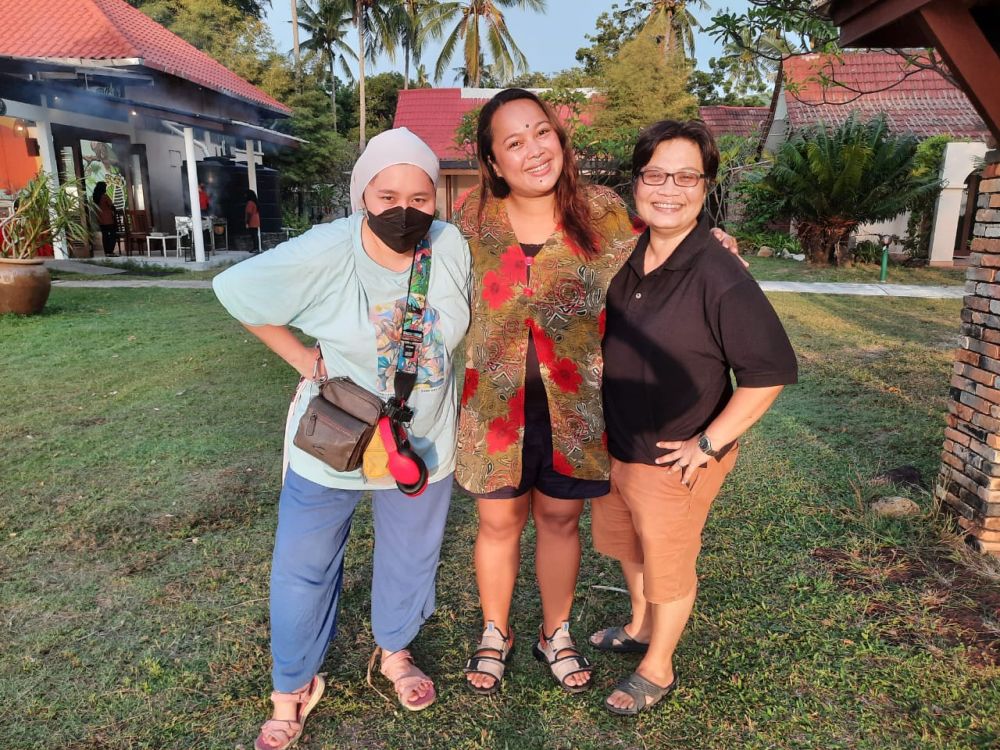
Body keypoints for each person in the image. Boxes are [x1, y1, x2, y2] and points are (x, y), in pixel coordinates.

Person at [453, 89, 739, 697]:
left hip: (576, 406)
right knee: (498, 523)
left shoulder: (604, 211)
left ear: (560, 137)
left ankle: (554, 632)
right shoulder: (470, 218)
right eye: (514, 142)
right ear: (493, 162)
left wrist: (714, 241)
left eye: (542, 132)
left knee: (560, 520)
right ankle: (495, 631)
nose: (534, 150)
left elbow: (671, 236)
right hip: (492, 411)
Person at [213, 128, 471, 750]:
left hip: (421, 440)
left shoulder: (449, 244)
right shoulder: (326, 249)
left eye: (420, 195)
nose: (404, 209)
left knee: (410, 557)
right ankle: (291, 687)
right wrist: (303, 359)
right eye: (386, 195)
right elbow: (236, 290)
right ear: (362, 195)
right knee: (303, 567)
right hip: (335, 440)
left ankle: (396, 652)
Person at [591, 119, 798, 715]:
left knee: (668, 562)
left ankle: (659, 666)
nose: (669, 189)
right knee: (627, 545)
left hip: (676, 455)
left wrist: (708, 443)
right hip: (620, 443)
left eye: (687, 177)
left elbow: (769, 371)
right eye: (656, 174)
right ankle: (639, 628)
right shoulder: (629, 250)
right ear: (637, 182)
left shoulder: (718, 271)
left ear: (706, 187)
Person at [92, 181, 117, 257]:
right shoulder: (104, 196)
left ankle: (107, 252)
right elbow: (112, 206)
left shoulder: (95, 197)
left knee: (105, 236)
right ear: (103, 188)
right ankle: (110, 251)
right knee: (113, 235)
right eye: (105, 187)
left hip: (100, 220)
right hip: (108, 219)